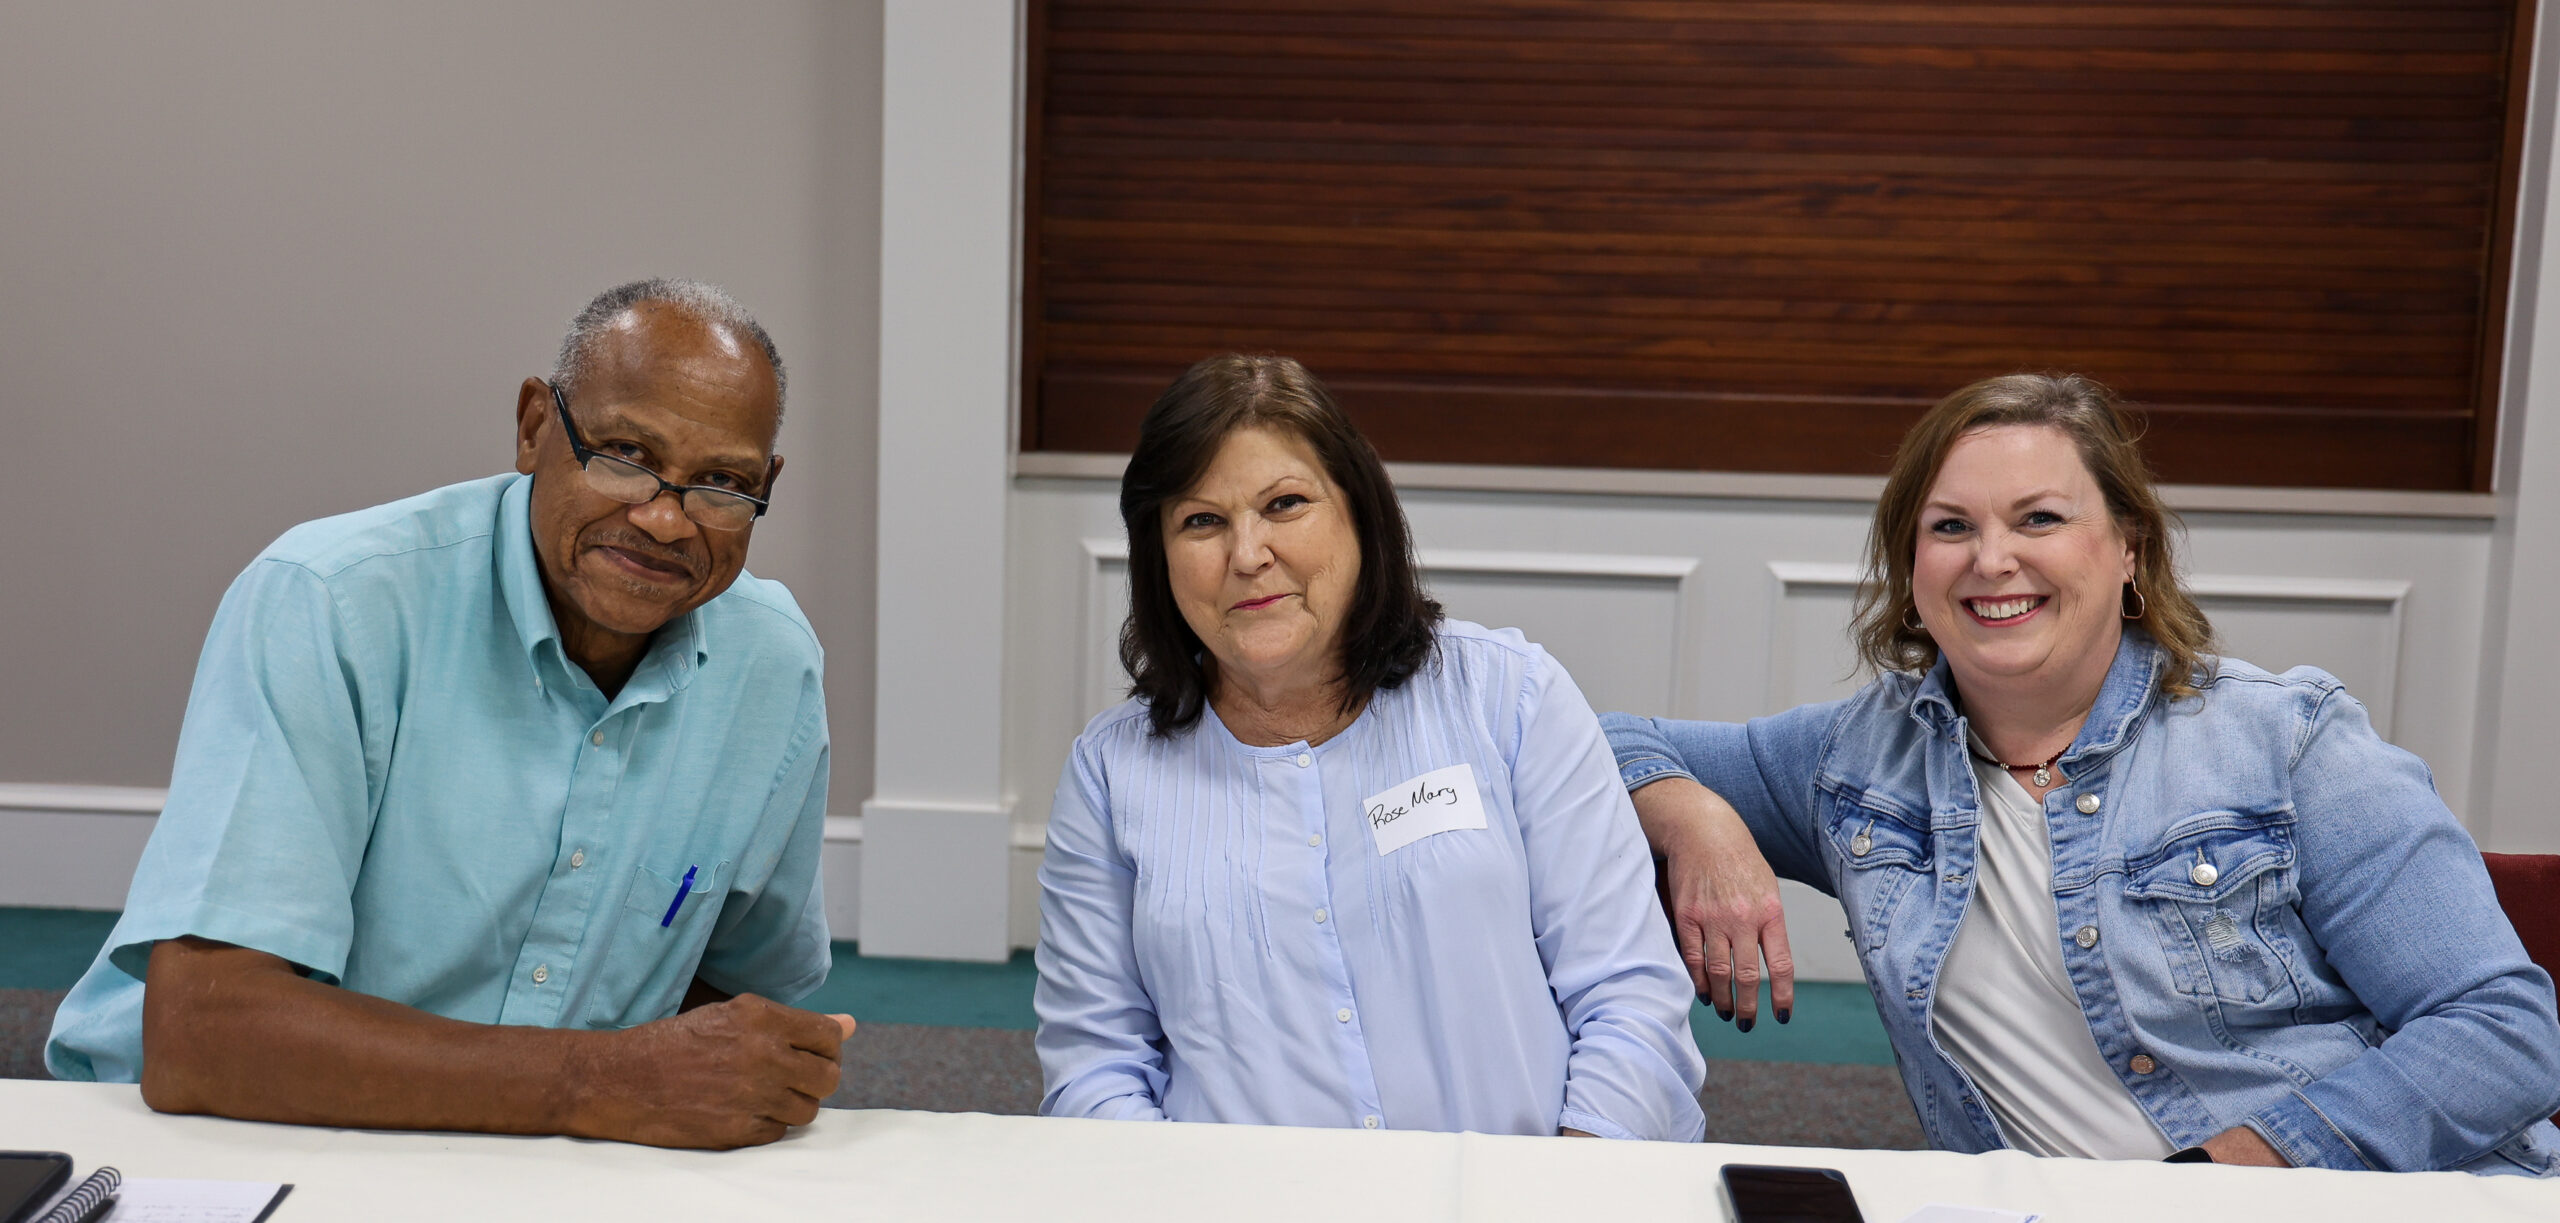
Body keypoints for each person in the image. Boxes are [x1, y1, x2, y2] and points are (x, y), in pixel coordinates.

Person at [1604, 373, 2560, 1174]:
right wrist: (1696, 816)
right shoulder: (1852, 760)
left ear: (2128, 547)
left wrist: (2224, 1177)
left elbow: (2503, 1026)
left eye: (2041, 518)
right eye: (1949, 526)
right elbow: (1585, 739)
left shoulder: (2289, 738)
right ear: (1910, 564)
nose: (1993, 559)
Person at [46, 279, 854, 1150]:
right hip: (220, 1143)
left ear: (765, 486)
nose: (663, 519)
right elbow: (204, 1038)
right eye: (623, 453)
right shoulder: (333, 602)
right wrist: (595, 1083)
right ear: (534, 427)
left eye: (721, 484)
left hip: (552, 1162)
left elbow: (740, 993)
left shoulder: (770, 666)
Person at [1034, 355, 1705, 1140]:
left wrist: (1559, 1194)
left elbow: (1630, 999)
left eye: (1284, 504)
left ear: (1360, 513)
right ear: (1160, 557)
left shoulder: (1509, 698)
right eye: (1201, 521)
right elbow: (1094, 1069)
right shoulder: (1110, 775)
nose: (1247, 554)